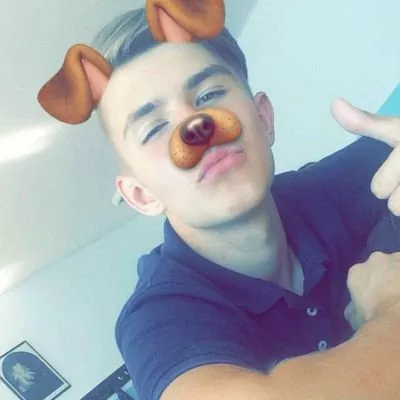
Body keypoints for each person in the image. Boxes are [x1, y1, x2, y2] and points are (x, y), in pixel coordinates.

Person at [47, 5, 400, 400]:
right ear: (141, 195)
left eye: (209, 94)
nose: (196, 126)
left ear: (263, 119)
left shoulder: (323, 189)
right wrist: (393, 310)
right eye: (155, 127)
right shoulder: (159, 318)